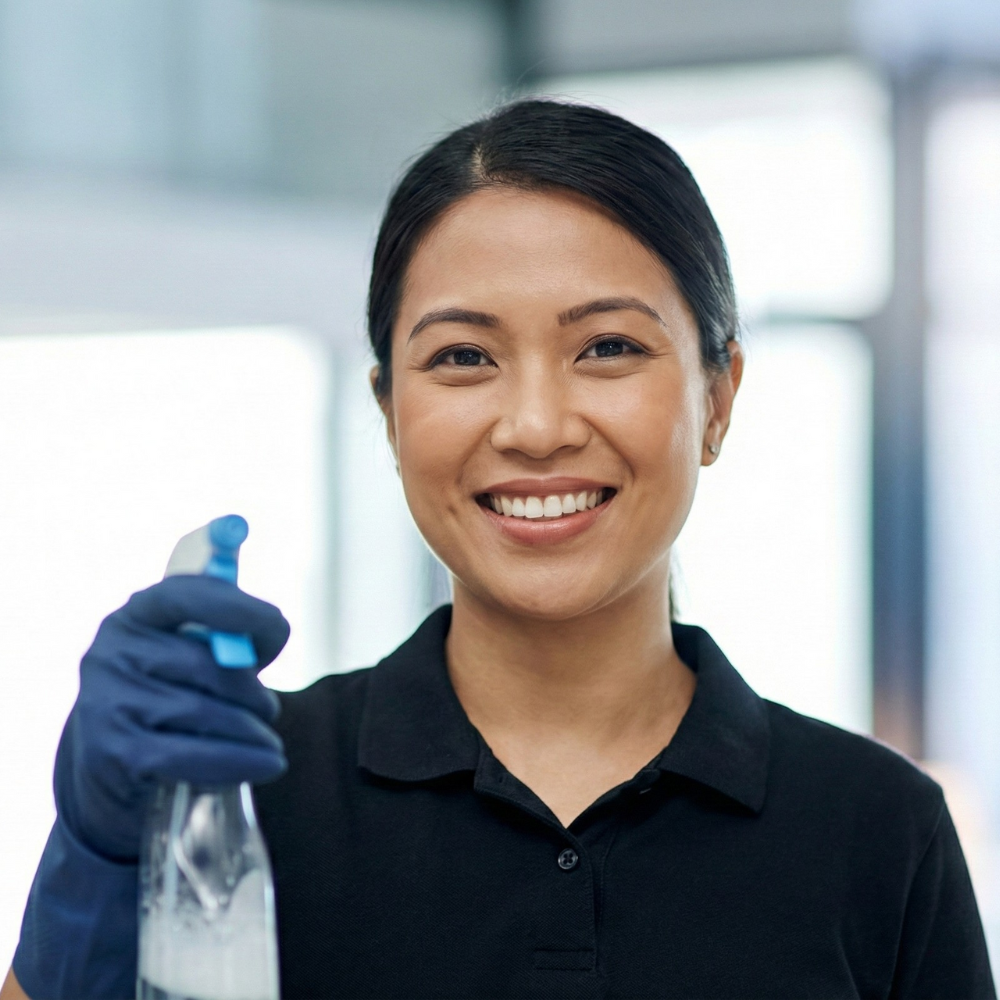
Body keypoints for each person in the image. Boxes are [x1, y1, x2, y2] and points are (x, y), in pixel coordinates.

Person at [3, 99, 995, 1000]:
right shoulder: (243, 794)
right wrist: (91, 857)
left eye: (607, 346)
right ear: (389, 411)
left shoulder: (874, 827)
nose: (533, 425)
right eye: (462, 357)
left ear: (717, 397)